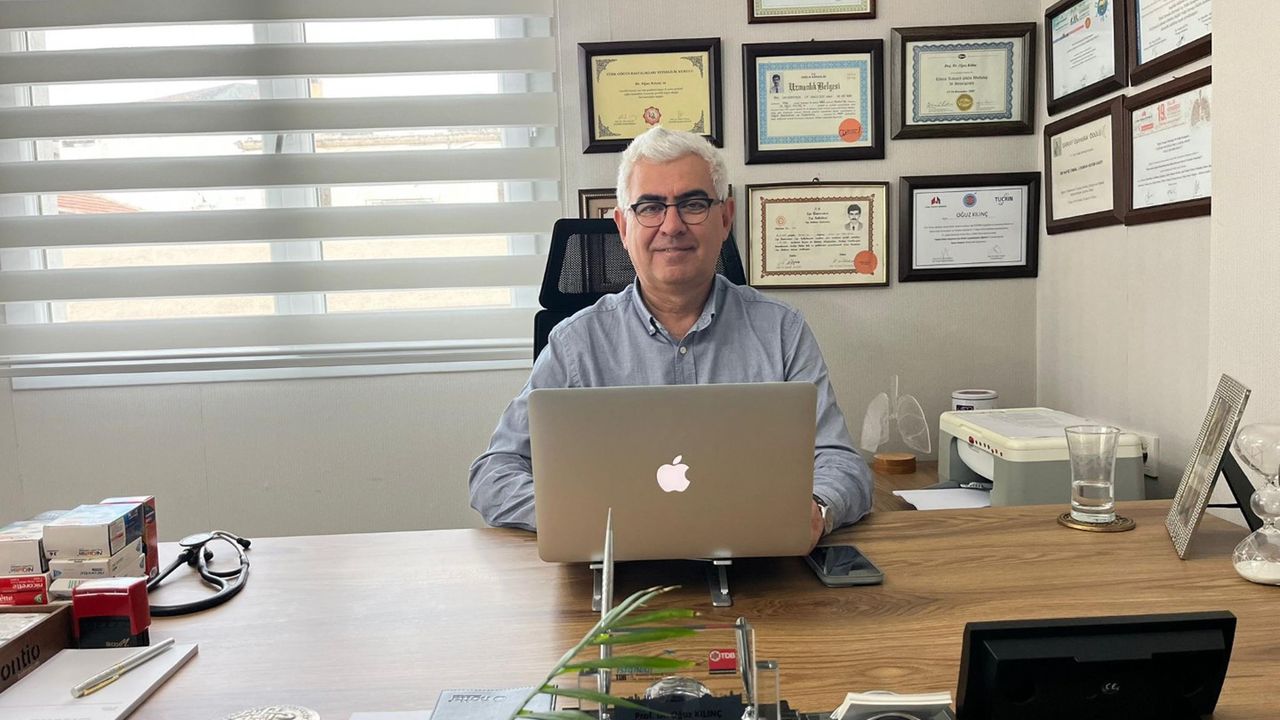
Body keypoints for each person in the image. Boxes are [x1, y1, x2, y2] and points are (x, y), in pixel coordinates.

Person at [469, 126, 873, 550]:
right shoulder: (575, 344)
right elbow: (495, 473)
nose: (672, 225)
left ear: (725, 218)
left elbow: (841, 462)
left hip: (753, 561)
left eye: (693, 204)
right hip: (615, 568)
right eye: (650, 207)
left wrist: (816, 509)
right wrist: (581, 516)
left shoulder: (781, 331)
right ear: (623, 226)